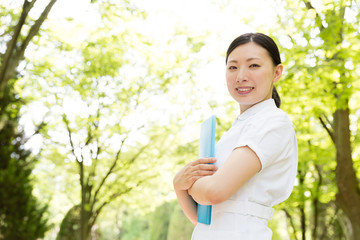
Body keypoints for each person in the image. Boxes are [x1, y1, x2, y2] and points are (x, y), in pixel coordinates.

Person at [173, 32, 298, 239]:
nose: (241, 76)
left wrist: (189, 185)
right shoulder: (235, 132)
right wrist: (179, 186)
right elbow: (203, 220)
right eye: (233, 67)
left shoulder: (273, 122)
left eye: (254, 65)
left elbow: (214, 192)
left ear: (277, 73)